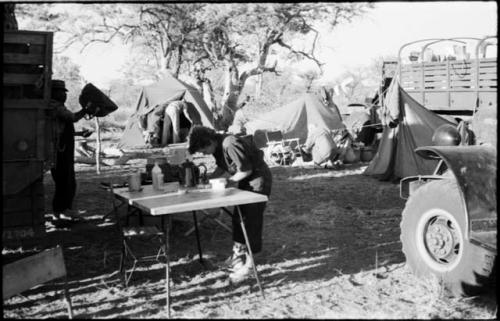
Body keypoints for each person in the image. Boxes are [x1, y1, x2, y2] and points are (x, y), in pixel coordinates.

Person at [187, 125, 272, 283]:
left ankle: (250, 264)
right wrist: (209, 179)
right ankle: (237, 258)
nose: (204, 154)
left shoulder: (229, 143)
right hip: (246, 180)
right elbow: (222, 166)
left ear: (209, 141)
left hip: (257, 180)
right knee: (238, 218)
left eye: (204, 150)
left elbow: (245, 169)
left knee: (251, 220)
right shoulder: (218, 146)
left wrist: (227, 181)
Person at [50, 80, 94, 225]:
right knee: (64, 181)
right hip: (60, 151)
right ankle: (61, 211)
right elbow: (72, 118)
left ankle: (64, 210)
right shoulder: (54, 106)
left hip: (63, 149)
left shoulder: (58, 107)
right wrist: (86, 110)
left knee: (68, 181)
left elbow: (61, 130)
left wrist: (81, 133)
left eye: (64, 92)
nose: (64, 95)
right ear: (53, 93)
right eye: (61, 92)